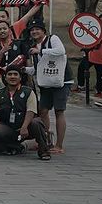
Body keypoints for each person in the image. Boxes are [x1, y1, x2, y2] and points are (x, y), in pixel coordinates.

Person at [0, 67, 51, 160]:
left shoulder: (28, 92)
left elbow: (31, 111)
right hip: (9, 127)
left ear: (20, 78)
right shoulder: (0, 94)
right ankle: (21, 146)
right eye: (10, 74)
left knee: (37, 122)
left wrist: (24, 127)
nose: (12, 77)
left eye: (15, 74)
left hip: (27, 127)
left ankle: (43, 150)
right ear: (5, 77)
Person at [27, 19, 70, 154]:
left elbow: (61, 51)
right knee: (43, 111)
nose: (34, 32)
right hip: (46, 82)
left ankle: (59, 145)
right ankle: (45, 140)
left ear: (44, 31)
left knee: (59, 111)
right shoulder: (35, 47)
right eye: (32, 30)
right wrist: (22, 69)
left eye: (37, 29)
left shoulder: (53, 39)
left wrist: (40, 51)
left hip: (61, 81)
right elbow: (37, 68)